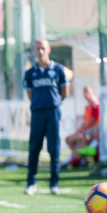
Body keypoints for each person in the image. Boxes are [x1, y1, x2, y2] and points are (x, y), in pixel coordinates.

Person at [23, 38, 69, 195]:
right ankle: (31, 183)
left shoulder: (58, 69)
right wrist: (39, 103)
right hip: (37, 113)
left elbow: (64, 92)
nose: (40, 51)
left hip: (53, 112)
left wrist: (53, 103)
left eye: (43, 48)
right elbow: (30, 94)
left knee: (53, 149)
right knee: (34, 148)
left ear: (49, 49)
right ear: (34, 51)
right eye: (37, 49)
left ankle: (54, 183)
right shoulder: (30, 73)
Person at [62, 85, 100, 167]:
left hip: (95, 131)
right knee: (69, 139)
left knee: (80, 138)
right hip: (89, 130)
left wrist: (80, 132)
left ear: (92, 92)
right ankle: (79, 159)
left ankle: (75, 160)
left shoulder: (95, 103)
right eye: (84, 92)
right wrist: (78, 132)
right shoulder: (88, 106)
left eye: (87, 92)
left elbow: (93, 121)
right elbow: (86, 122)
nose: (85, 94)